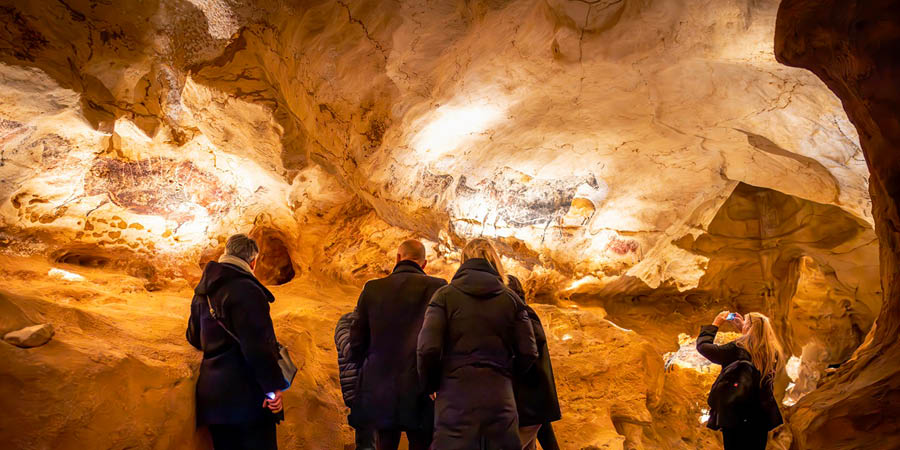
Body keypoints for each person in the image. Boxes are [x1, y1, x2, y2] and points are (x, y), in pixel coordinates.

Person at [417, 238, 538, 449]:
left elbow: (428, 348)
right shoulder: (511, 300)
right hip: (500, 397)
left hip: (454, 397)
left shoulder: (444, 296)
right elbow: (529, 351)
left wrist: (431, 384)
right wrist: (507, 375)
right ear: (495, 263)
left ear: (463, 261)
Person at [186, 233, 287, 450]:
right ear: (253, 262)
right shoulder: (248, 290)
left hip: (213, 397)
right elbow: (259, 346)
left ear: (226, 253)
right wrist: (273, 388)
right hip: (247, 399)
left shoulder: (203, 291)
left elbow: (193, 337)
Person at [349, 240, 447, 450]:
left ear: (397, 258)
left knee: (385, 443)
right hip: (421, 387)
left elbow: (356, 340)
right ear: (424, 263)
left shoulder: (373, 289)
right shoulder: (438, 288)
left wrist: (364, 369)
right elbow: (442, 341)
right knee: (421, 443)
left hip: (381, 386)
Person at [696, 311, 785, 450]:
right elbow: (754, 344)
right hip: (759, 417)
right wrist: (744, 329)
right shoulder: (771, 351)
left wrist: (715, 324)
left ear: (750, 327)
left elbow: (704, 347)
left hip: (736, 415)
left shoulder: (737, 348)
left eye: (746, 322)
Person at [508, 275, 562, 450]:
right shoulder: (527, 313)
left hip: (526, 400)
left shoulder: (521, 316)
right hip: (534, 400)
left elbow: (528, 353)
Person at [335, 309, 376, 450]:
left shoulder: (380, 321)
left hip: (379, 391)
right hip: (358, 391)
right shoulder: (346, 322)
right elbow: (349, 351)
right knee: (367, 443)